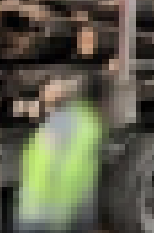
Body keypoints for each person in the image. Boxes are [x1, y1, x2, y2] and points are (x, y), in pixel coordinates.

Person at [15, 73, 108, 233]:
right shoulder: (66, 121)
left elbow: (70, 175)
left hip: (49, 214)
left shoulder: (72, 123)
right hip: (39, 210)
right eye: (45, 88)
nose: (45, 92)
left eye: (53, 87)